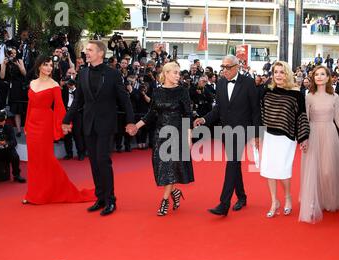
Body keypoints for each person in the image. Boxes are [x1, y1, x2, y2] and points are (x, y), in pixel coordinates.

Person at [62, 41, 137, 216]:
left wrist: (131, 121)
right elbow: (78, 101)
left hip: (106, 124)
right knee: (94, 162)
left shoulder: (113, 74)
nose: (86, 52)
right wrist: (67, 120)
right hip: (88, 124)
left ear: (100, 53)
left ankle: (111, 200)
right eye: (86, 50)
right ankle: (100, 198)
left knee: (103, 160)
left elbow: (124, 99)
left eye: (90, 50)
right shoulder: (83, 73)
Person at [22, 56, 95, 204]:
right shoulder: (32, 83)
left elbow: (60, 108)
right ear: (39, 66)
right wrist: (26, 125)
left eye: (51, 65)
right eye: (46, 65)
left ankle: (47, 192)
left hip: (45, 124)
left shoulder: (54, 84)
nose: (49, 68)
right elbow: (29, 106)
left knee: (46, 159)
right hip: (32, 124)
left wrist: (62, 126)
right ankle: (33, 193)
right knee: (34, 161)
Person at [194, 55, 260, 216]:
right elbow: (218, 109)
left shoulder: (249, 83)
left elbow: (256, 110)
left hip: (243, 130)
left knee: (232, 163)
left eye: (228, 67)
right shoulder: (221, 82)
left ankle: (224, 204)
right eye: (223, 67)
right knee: (234, 165)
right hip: (226, 131)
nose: (224, 70)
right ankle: (242, 197)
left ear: (238, 67)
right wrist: (204, 119)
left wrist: (257, 134)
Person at [134, 62, 194, 216]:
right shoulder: (157, 91)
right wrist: (136, 126)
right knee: (161, 167)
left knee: (171, 168)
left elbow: (187, 114)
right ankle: (175, 192)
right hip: (160, 134)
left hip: (177, 133)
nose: (177, 75)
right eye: (174, 72)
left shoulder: (183, 91)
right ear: (166, 73)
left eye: (178, 73)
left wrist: (188, 136)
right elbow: (151, 114)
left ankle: (165, 200)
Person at [259, 61, 309, 218]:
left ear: (287, 74)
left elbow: (301, 117)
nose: (278, 75)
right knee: (269, 169)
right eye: (276, 72)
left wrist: (304, 137)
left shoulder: (296, 94)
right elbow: (260, 113)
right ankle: (274, 201)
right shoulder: (266, 91)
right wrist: (257, 134)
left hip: (287, 137)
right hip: (269, 136)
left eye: (282, 72)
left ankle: (287, 197)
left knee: (283, 170)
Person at [300, 66, 339, 223]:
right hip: (313, 133)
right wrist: (303, 138)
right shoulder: (309, 96)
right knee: (314, 169)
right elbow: (304, 118)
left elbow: (337, 118)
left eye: (322, 74)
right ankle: (314, 201)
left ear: (328, 78)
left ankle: (329, 200)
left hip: (330, 132)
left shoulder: (335, 96)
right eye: (316, 74)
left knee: (328, 169)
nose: (319, 77)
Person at [0, 111, 26, 186]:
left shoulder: (8, 127)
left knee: (15, 156)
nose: (1, 125)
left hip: (6, 150)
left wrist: (6, 143)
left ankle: (16, 175)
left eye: (2, 123)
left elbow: (14, 142)